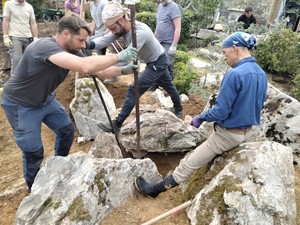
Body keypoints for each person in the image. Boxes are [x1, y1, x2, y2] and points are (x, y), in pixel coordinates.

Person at [1, 15, 137, 193]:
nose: (83, 45)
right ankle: (34, 189)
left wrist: (123, 69)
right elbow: (85, 66)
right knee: (33, 151)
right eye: (80, 40)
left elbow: (97, 69)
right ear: (66, 34)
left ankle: (58, 166)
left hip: (45, 99)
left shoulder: (73, 49)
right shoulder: (44, 47)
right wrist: (118, 56)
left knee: (66, 131)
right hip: (21, 104)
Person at [135, 32, 268, 198]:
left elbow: (221, 111)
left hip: (228, 134)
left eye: (224, 53)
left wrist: (200, 118)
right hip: (247, 131)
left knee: (188, 163)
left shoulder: (235, 74)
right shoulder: (261, 74)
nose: (224, 58)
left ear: (235, 49)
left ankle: (155, 190)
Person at [89, 1, 183, 135]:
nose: (111, 31)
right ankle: (179, 109)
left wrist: (104, 64)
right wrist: (86, 44)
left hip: (158, 62)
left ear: (121, 20)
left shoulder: (140, 32)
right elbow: (104, 40)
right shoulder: (121, 28)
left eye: (112, 28)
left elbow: (127, 56)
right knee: (168, 85)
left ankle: (117, 124)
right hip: (155, 60)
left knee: (134, 89)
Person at [2, 0, 38, 76]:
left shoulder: (29, 7)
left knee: (29, 62)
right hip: (15, 37)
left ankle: (26, 83)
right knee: (17, 62)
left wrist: (35, 38)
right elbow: (6, 20)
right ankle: (14, 85)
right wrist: (5, 36)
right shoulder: (9, 4)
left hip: (28, 38)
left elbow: (33, 22)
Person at [151, 0, 181, 90]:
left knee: (164, 63)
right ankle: (164, 85)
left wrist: (174, 45)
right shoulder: (160, 6)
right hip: (159, 40)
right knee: (162, 62)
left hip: (168, 41)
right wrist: (153, 38)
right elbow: (158, 24)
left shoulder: (174, 7)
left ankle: (165, 86)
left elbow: (178, 27)